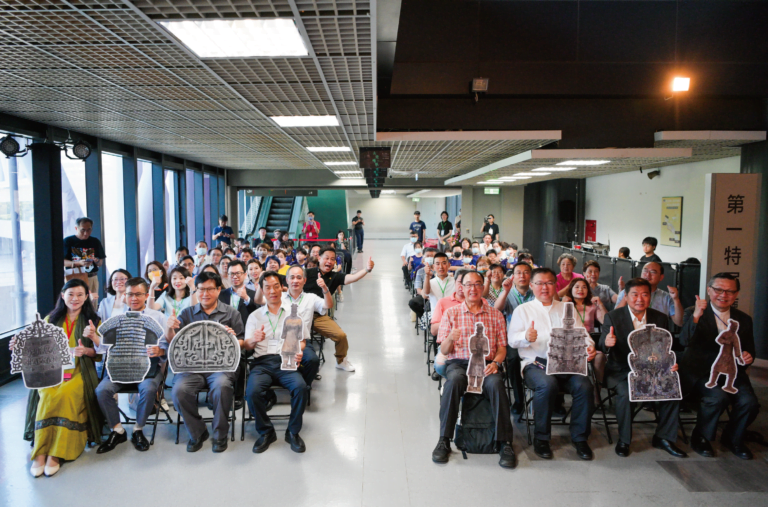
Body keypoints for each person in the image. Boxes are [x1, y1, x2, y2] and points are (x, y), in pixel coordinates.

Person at [16, 279, 104, 478]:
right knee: (47, 394)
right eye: (71, 294)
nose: (75, 298)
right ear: (62, 295)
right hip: (52, 372)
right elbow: (36, 348)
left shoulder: (94, 320)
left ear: (86, 297)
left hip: (80, 371)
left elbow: (100, 353)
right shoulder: (50, 319)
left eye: (80, 295)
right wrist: (19, 346)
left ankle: (56, 453)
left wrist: (88, 349)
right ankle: (40, 452)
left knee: (65, 395)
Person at [509, 267, 597, 460]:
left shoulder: (567, 309)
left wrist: (589, 347)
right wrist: (525, 336)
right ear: (531, 285)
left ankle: (580, 438)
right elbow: (512, 340)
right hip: (536, 364)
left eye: (549, 283)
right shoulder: (523, 310)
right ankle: (542, 438)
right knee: (547, 385)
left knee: (584, 386)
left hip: (566, 365)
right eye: (539, 283)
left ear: (556, 285)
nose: (544, 287)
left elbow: (583, 335)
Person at [432, 271, 516, 468]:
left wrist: (496, 363)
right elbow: (444, 350)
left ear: (483, 288)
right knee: (453, 383)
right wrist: (451, 338)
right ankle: (444, 440)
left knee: (496, 385)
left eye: (478, 284)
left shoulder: (495, 315)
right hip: (459, 363)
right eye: (469, 285)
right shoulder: (451, 314)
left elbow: (502, 348)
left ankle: (505, 442)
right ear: (461, 288)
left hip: (487, 363)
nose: (473, 289)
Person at [600, 278, 686, 458]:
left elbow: (666, 347)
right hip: (622, 370)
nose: (640, 299)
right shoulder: (613, 316)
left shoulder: (659, 317)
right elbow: (601, 343)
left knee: (672, 389)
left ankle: (663, 438)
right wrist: (607, 343)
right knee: (626, 392)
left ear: (650, 297)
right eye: (635, 294)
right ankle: (624, 440)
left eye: (645, 294)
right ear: (626, 296)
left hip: (653, 369)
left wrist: (670, 363)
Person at [679, 273, 759, 460]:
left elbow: (750, 350)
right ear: (709, 290)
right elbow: (684, 341)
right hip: (701, 372)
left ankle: (733, 438)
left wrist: (748, 356)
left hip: (732, 371)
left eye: (730, 291)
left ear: (736, 294)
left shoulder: (743, 319)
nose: (724, 295)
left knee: (750, 402)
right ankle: (701, 438)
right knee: (717, 397)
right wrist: (697, 316)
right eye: (718, 290)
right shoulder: (694, 312)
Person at [167, 271, 245, 453]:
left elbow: (243, 343)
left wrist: (233, 339)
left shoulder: (231, 313)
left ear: (219, 290)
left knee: (221, 387)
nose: (205, 293)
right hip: (191, 368)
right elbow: (174, 342)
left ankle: (220, 434)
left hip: (221, 367)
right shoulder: (187, 314)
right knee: (179, 391)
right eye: (201, 289)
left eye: (210, 289)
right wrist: (169, 328)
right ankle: (197, 431)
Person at [93, 278, 167, 454]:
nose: (134, 298)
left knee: (148, 389)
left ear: (146, 295)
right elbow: (104, 347)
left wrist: (160, 351)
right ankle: (117, 430)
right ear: (124, 296)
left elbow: (167, 347)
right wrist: (94, 337)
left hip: (147, 369)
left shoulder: (158, 317)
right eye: (130, 294)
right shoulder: (115, 318)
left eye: (138, 294)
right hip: (120, 368)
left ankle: (138, 429)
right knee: (102, 390)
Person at [244, 271, 312, 454]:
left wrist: (299, 349)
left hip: (286, 360)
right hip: (262, 363)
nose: (272, 291)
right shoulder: (255, 316)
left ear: (282, 288)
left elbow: (303, 340)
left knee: (300, 388)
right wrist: (253, 339)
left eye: (276, 286)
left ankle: (293, 431)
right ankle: (266, 432)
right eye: (267, 287)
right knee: (252, 392)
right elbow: (248, 346)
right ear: (262, 290)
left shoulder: (293, 313)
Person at [304, 247, 375, 371]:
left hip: (318, 316)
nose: (329, 262)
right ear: (319, 258)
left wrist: (367, 269)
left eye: (332, 259)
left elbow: (352, 278)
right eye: (326, 258)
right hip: (300, 313)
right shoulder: (307, 273)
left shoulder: (335, 276)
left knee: (341, 336)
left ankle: (341, 361)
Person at [494, 261, 534, 414]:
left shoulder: (536, 292)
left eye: (526, 272)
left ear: (530, 276)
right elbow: (497, 310)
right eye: (518, 273)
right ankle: (518, 400)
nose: (522, 276)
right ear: (513, 276)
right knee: (513, 361)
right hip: (514, 338)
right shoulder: (507, 293)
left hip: (536, 337)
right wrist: (504, 291)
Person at [615, 262, 683, 326]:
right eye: (645, 271)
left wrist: (676, 299)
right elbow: (615, 317)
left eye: (653, 272)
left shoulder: (666, 297)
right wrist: (627, 294)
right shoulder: (626, 293)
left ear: (661, 277)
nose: (648, 275)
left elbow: (679, 322)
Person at [63, 217, 106, 296]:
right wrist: (78, 263)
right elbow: (63, 262)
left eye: (88, 230)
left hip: (91, 277)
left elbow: (100, 263)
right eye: (83, 230)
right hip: (74, 277)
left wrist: (96, 261)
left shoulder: (95, 241)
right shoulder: (68, 241)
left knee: (92, 303)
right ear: (76, 228)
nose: (86, 233)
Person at [219, 260, 258, 327]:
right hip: (225, 331)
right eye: (231, 274)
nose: (234, 277)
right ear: (228, 275)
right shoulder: (221, 294)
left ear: (245, 275)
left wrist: (246, 298)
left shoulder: (253, 294)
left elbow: (257, 314)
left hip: (246, 331)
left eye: (238, 273)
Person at [408, 247, 437, 321]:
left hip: (438, 295)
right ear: (424, 257)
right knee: (413, 302)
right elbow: (418, 289)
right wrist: (426, 296)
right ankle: (424, 319)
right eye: (428, 256)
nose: (430, 257)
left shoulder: (440, 270)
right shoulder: (420, 271)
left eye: (432, 256)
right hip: (425, 296)